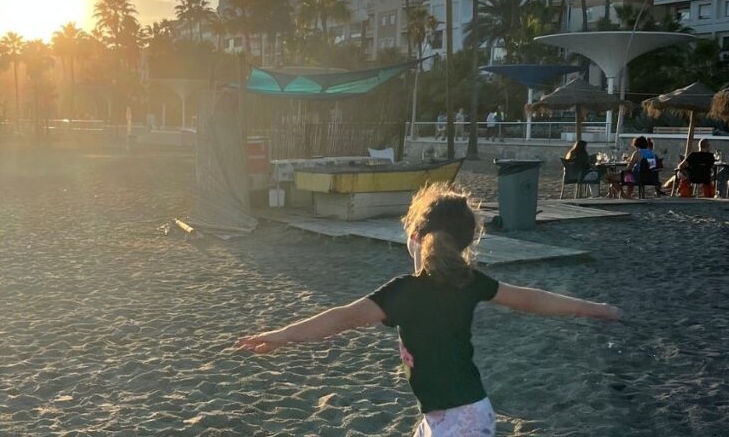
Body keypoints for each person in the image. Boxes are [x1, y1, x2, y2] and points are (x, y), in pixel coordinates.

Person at [237, 184, 620, 436]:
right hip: (459, 414)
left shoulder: (406, 292)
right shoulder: (468, 282)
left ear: (415, 238)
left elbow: (341, 318)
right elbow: (532, 299)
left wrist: (282, 335)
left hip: (459, 421)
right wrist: (593, 308)